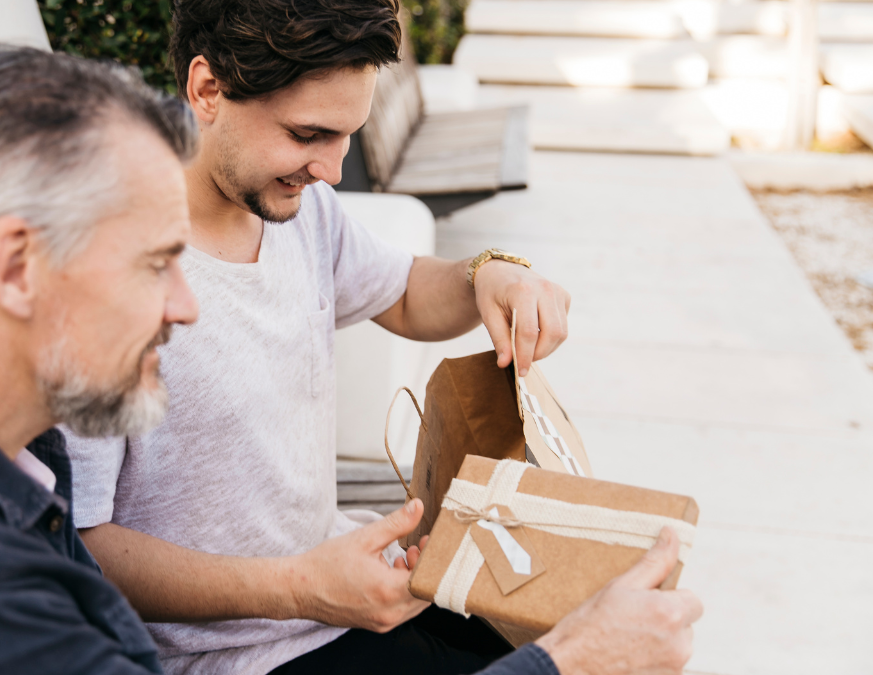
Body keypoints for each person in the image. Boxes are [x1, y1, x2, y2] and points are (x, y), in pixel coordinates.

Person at [0, 44, 700, 675]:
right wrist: (567, 664)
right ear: (17, 265)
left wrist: (489, 273)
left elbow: (401, 287)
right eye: (157, 265)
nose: (187, 306)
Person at [64, 1, 701, 674]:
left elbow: (400, 290)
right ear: (207, 88)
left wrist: (489, 274)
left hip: (348, 598)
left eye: (348, 136)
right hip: (241, 655)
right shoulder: (100, 268)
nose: (333, 170)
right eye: (309, 134)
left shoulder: (298, 208)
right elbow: (82, 547)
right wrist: (301, 585)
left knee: (625, 623)